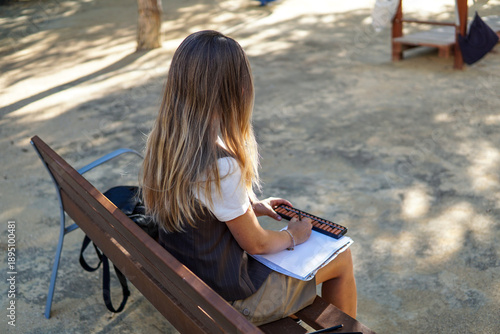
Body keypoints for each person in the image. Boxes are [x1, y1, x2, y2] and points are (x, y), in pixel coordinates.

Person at [141, 30, 357, 325]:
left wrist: (248, 205)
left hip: (191, 282)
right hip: (231, 302)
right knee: (341, 258)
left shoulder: (165, 142)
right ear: (236, 90)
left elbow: (200, 203)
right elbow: (257, 244)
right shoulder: (220, 165)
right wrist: (293, 236)